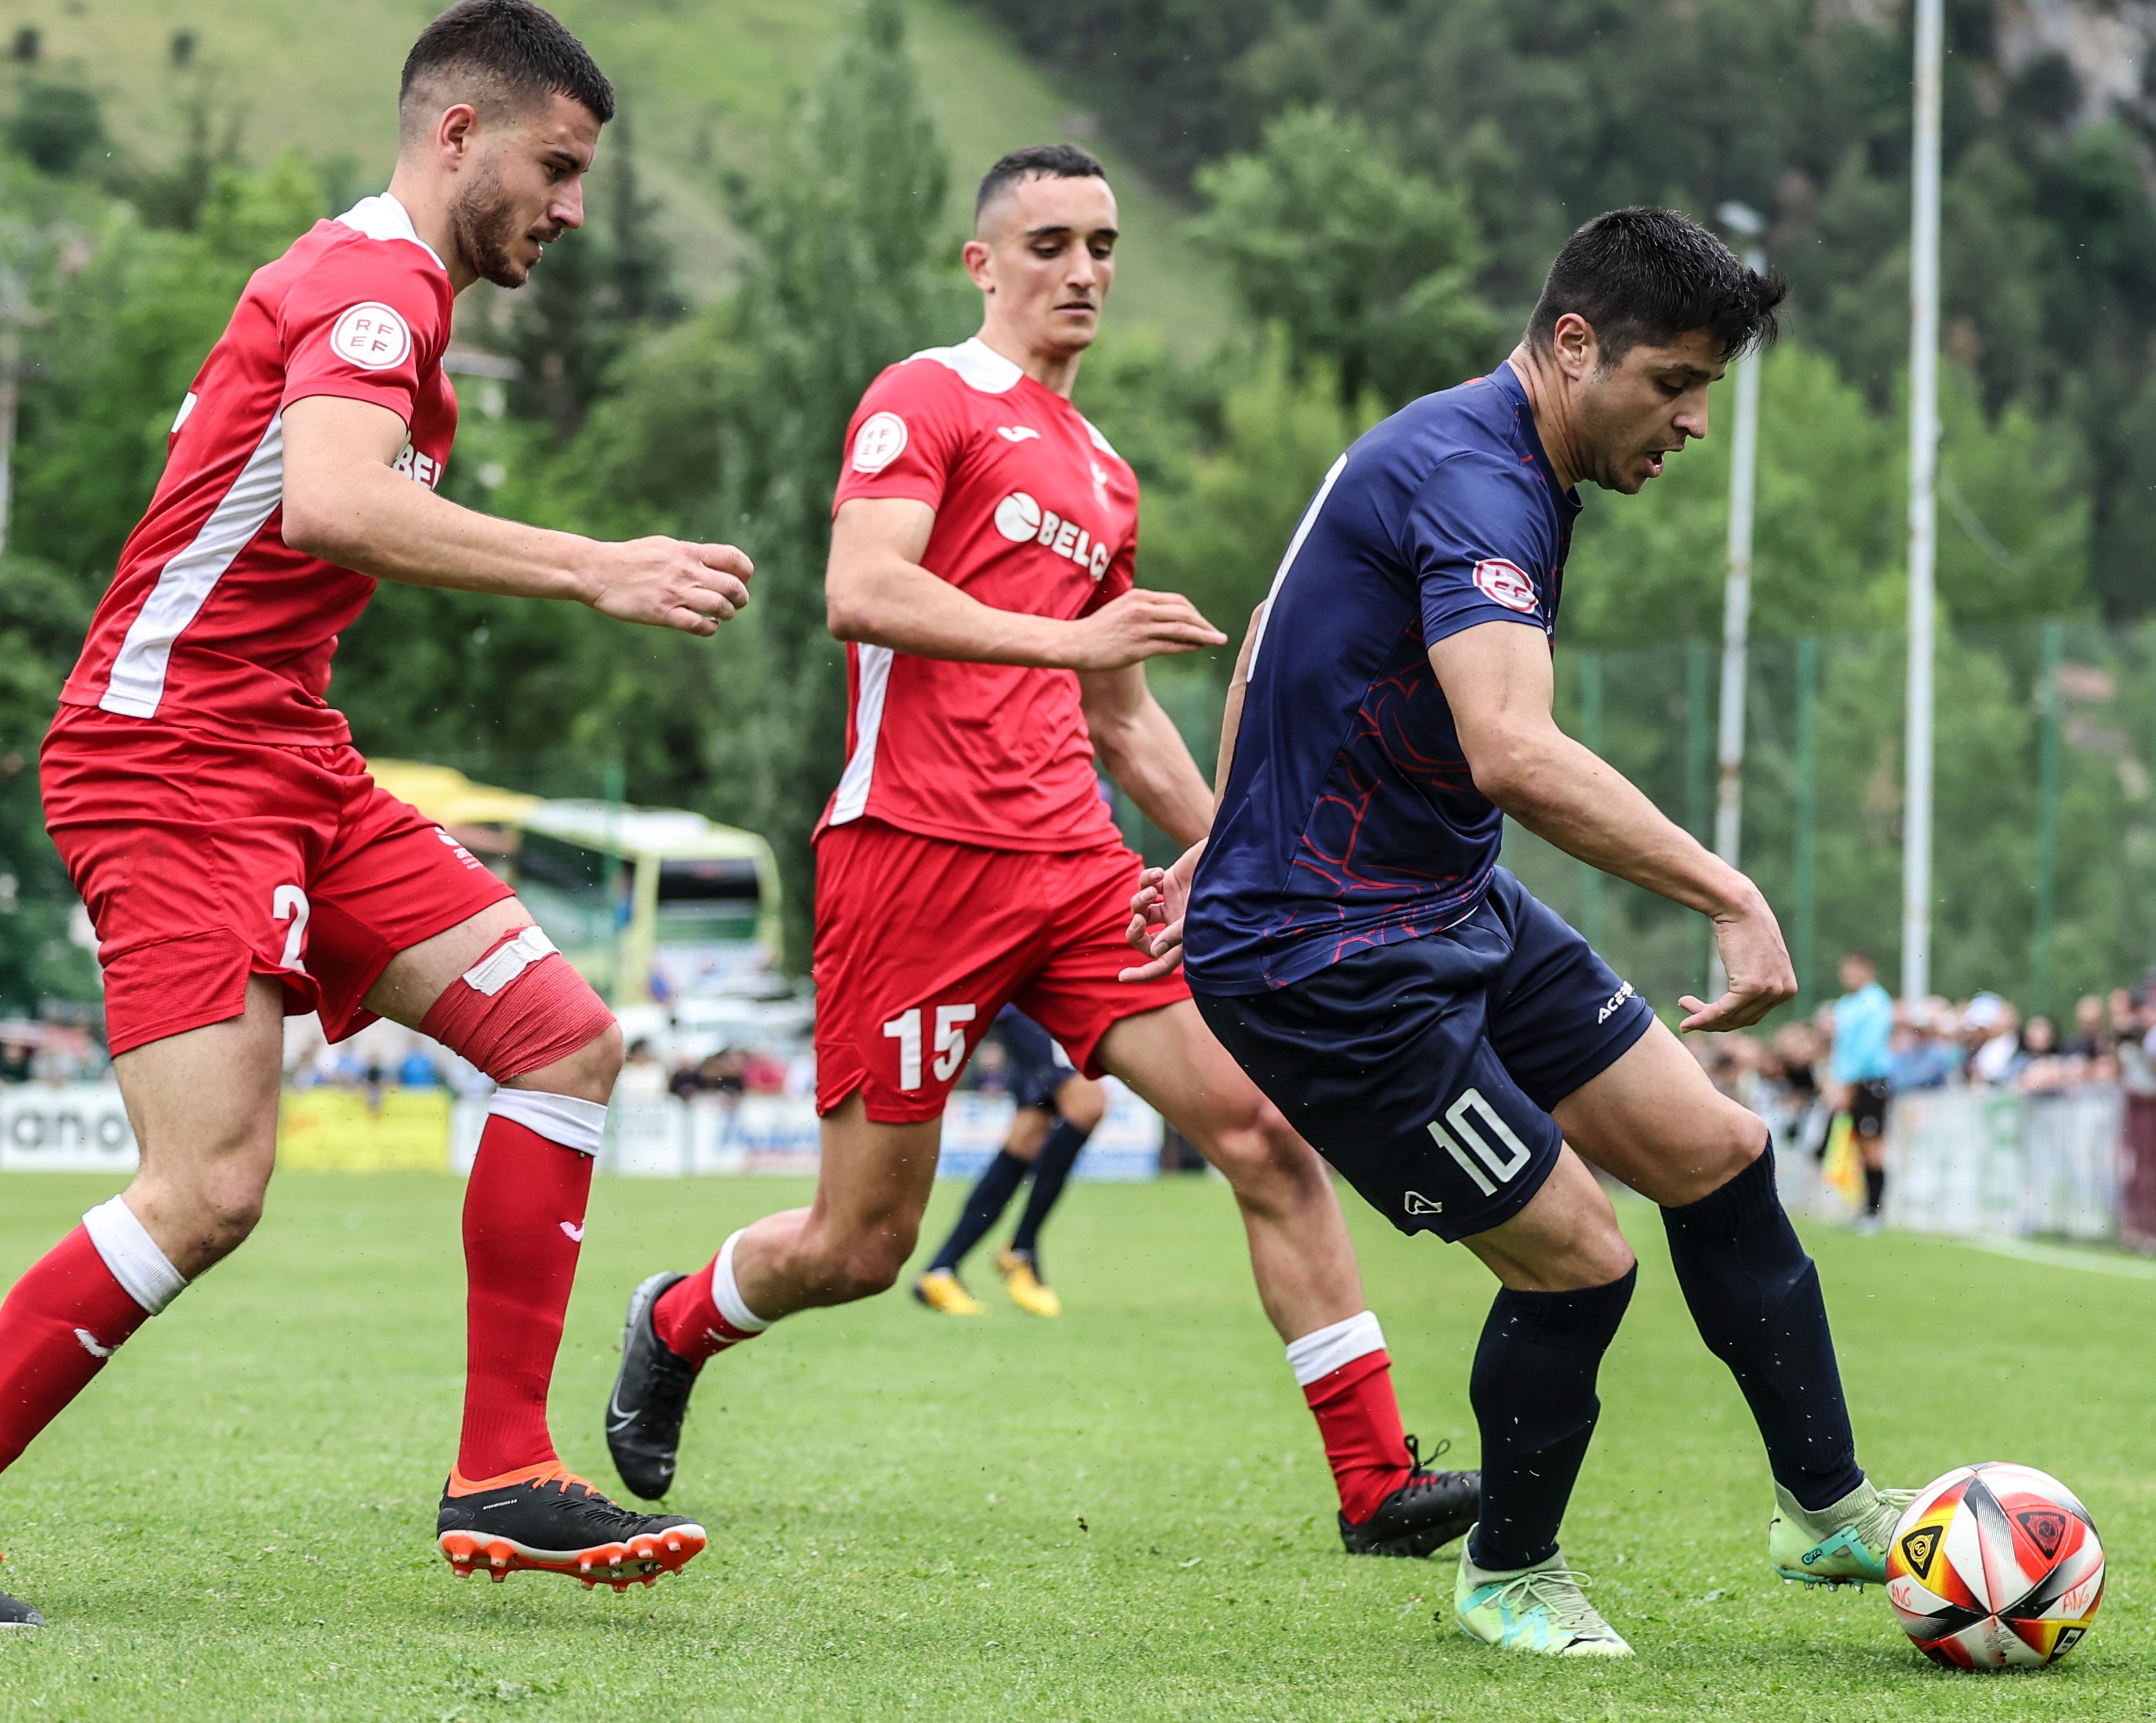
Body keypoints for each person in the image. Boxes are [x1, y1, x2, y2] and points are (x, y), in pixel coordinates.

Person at [600, 144, 1478, 1562]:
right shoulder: (925, 395)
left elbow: (1121, 714)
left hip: (1078, 877)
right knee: (863, 1247)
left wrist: (1248, 850)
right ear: (984, 263)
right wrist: (1074, 640)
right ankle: (676, 1320)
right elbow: (859, 589)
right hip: (912, 860)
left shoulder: (1106, 474)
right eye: (1053, 243)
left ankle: (1377, 1485)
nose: (1083, 271)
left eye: (1105, 246)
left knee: (1262, 1134)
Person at [0, 1, 752, 1627]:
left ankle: (499, 1467)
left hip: (283, 755)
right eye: (556, 169)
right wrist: (596, 565)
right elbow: (334, 501)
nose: (567, 207)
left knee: (561, 1038)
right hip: (171, 757)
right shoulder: (371, 280)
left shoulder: (385, 297)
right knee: (207, 1189)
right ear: (456, 134)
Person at [1128, 208, 1920, 1657]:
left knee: (1719, 1153)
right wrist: (1730, 893)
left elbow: (1269, 623)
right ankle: (1508, 1573)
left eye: (1704, 392)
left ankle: (1827, 1510)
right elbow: (1512, 748)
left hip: (1441, 898)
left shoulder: (1488, 454)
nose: (1689, 423)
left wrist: (1219, 823)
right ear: (1573, 345)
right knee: (1579, 1255)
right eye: (1672, 385)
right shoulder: (1480, 479)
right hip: (1322, 962)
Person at [913, 1004, 1101, 1316]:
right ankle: (1021, 1250)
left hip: (1042, 1002)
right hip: (1031, 1003)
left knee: (1026, 1137)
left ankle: (940, 1270)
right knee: (1089, 1104)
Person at [1826, 952, 1893, 1231]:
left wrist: (1848, 1084)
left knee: (1872, 1146)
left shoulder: (1876, 1003)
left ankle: (1875, 1212)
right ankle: (1864, 1208)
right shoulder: (1846, 1004)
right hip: (1851, 1082)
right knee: (1858, 1145)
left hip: (1869, 1082)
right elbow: (1842, 1047)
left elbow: (1866, 1049)